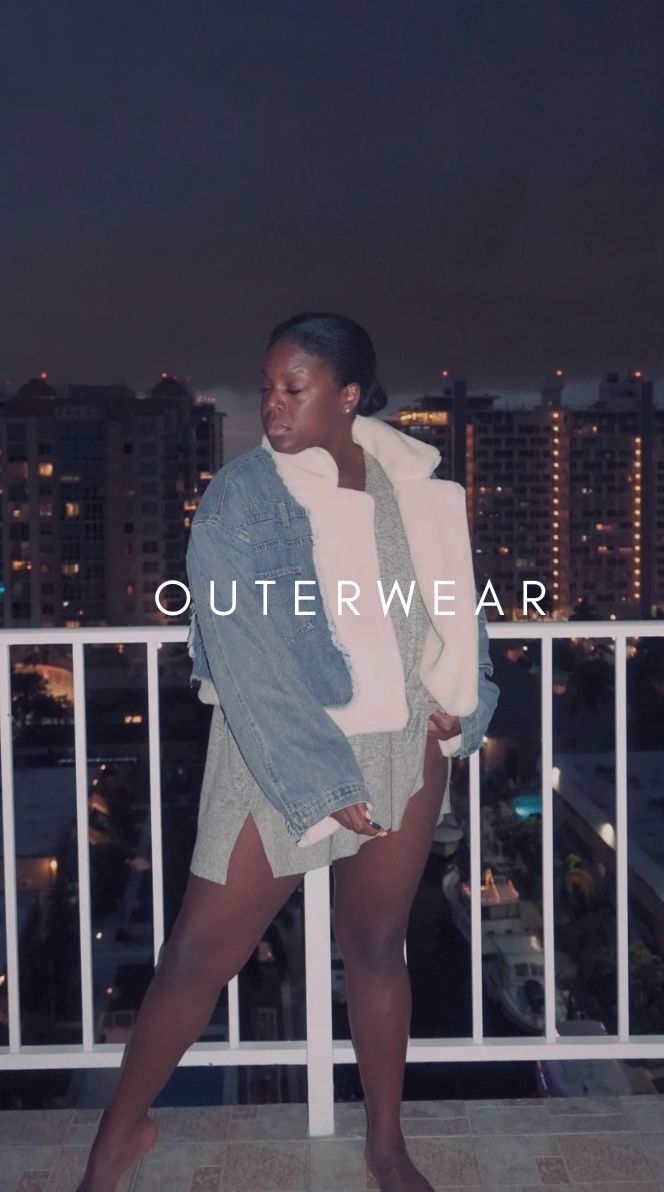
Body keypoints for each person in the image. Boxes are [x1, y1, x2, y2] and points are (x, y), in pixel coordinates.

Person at [77, 312, 499, 1192]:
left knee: (376, 946)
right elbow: (243, 655)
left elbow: (454, 610)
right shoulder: (243, 499)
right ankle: (117, 1139)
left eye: (293, 389)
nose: (271, 405)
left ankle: (386, 1146)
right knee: (199, 954)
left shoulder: (412, 482)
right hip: (281, 752)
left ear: (347, 396)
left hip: (402, 745)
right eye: (267, 387)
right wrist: (315, 778)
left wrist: (463, 703)